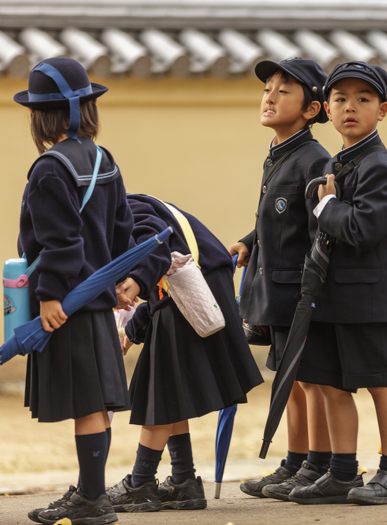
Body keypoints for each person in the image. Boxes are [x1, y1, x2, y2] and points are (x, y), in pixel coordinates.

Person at [287, 61, 387, 506]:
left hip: (370, 297)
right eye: (340, 99)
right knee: (331, 383)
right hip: (334, 295)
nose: (350, 108)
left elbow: (363, 229)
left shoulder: (379, 164)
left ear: (383, 110)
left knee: (381, 381)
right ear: (328, 108)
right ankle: (342, 472)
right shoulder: (336, 163)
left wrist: (326, 209)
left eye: (364, 98)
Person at [17, 57, 132, 525]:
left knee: (87, 403)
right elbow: (123, 228)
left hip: (68, 302)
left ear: (42, 117)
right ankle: (91, 493)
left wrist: (47, 297)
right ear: (86, 110)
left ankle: (90, 501)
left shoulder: (48, 169)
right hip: (98, 300)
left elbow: (59, 242)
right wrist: (125, 280)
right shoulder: (105, 159)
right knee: (96, 402)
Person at [107, 194, 264, 513]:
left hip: (193, 287)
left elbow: (158, 246)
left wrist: (135, 281)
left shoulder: (119, 209)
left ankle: (140, 482)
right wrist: (132, 332)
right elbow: (155, 290)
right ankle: (183, 482)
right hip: (192, 286)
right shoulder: (118, 210)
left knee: (161, 389)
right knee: (170, 387)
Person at [228, 57, 334, 500]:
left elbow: (319, 230)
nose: (269, 97)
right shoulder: (280, 153)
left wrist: (310, 291)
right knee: (287, 379)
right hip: (275, 289)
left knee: (309, 379)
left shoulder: (314, 159)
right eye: (267, 89)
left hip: (298, 290)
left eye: (283, 91)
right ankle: (294, 461)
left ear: (311, 109)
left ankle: (319, 464)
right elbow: (279, 219)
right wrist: (250, 241)